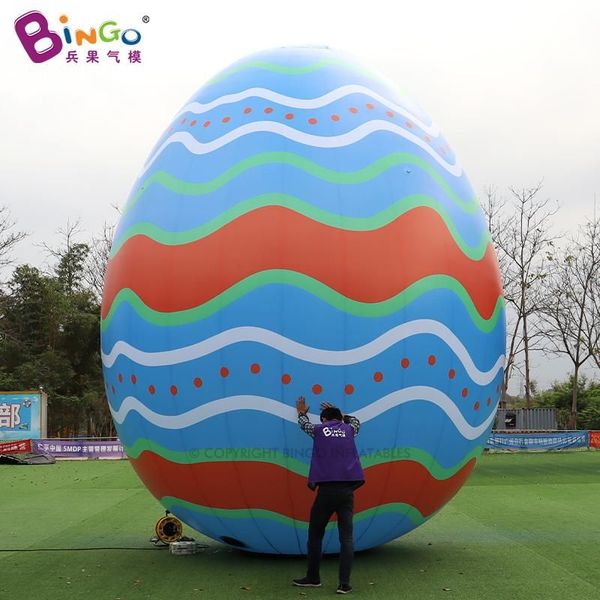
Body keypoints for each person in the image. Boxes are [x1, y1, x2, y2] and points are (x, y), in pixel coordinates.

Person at [292, 396, 364, 595]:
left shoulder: (318, 430)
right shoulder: (349, 429)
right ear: (339, 419)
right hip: (347, 491)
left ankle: (313, 578)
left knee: (315, 535)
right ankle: (344, 584)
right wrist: (341, 414)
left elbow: (303, 424)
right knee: (346, 539)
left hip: (326, 491)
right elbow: (356, 421)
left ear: (323, 419)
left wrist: (301, 411)